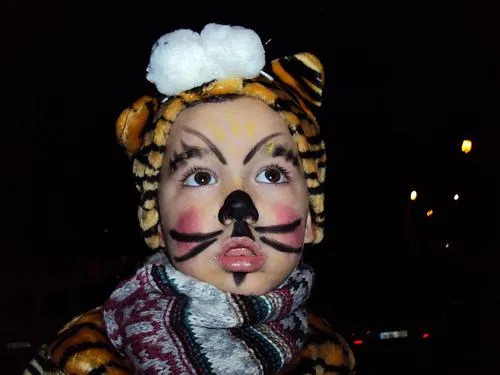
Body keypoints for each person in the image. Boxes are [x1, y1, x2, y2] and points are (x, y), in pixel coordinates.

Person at [24, 23, 356, 374]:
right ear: (155, 219)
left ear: (310, 217)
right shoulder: (73, 364)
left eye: (271, 174)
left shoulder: (332, 360)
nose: (239, 206)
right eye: (201, 177)